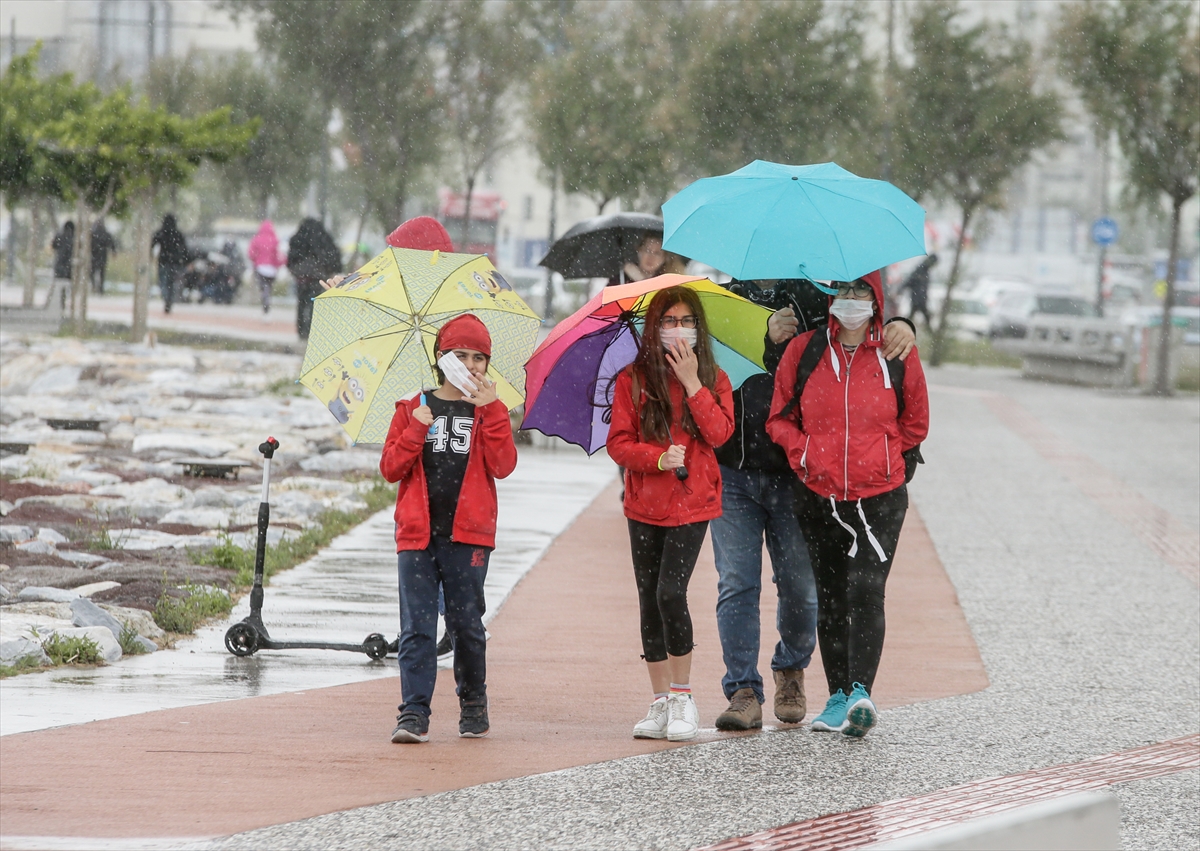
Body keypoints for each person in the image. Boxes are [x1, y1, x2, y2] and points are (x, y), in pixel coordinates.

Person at [710, 279, 915, 731]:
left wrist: (903, 323)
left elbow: (861, 335)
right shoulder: (718, 300)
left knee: (805, 592)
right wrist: (763, 335)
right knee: (737, 585)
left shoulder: (810, 293)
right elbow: (711, 368)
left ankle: (792, 670)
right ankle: (743, 689)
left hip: (797, 479)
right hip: (733, 470)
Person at [766, 271, 928, 739]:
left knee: (866, 589)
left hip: (880, 497)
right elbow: (780, 417)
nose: (850, 299)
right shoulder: (806, 350)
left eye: (860, 290)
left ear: (876, 299)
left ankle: (861, 692)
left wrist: (882, 456)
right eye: (843, 290)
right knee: (831, 596)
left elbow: (916, 422)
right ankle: (836, 696)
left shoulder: (896, 351)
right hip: (819, 495)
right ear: (831, 296)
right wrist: (805, 454)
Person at [380, 314, 517, 743]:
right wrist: (417, 425)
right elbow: (390, 469)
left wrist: (492, 410)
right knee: (416, 627)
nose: (471, 365)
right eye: (461, 355)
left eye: (480, 358)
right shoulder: (411, 407)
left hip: (469, 536)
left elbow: (503, 465)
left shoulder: (488, 410)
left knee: (465, 625)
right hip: (417, 536)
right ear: (441, 358)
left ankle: (473, 701)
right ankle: (413, 713)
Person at [606, 286, 735, 742]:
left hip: (693, 502)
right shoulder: (633, 379)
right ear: (653, 328)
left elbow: (720, 434)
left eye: (686, 321)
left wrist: (693, 384)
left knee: (669, 592)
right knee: (648, 598)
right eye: (669, 322)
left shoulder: (714, 378)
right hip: (644, 504)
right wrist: (656, 458)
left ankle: (683, 696)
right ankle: (660, 701)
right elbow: (618, 443)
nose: (678, 331)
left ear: (698, 328)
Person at [288, 218, 341, 339]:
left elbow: (291, 259)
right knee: (315, 303)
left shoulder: (297, 239)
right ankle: (312, 329)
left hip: (302, 277)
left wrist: (297, 270)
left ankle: (301, 330)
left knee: (301, 303)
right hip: (318, 277)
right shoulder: (323, 238)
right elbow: (333, 256)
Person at [151, 214, 189, 314]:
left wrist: (150, 255)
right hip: (175, 263)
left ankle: (166, 298)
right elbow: (185, 249)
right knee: (172, 283)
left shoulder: (161, 233)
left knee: (163, 282)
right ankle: (170, 299)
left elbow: (152, 243)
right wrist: (185, 261)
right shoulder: (178, 234)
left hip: (163, 261)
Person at [247, 220, 284, 316]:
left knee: (263, 287)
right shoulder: (275, 239)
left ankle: (265, 302)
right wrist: (278, 263)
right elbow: (277, 255)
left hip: (260, 268)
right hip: (272, 269)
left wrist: (256, 260)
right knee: (268, 287)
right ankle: (267, 300)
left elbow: (251, 254)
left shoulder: (256, 239)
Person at [897, 253, 937, 328]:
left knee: (916, 316)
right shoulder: (920, 270)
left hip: (921, 298)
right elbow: (909, 281)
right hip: (918, 298)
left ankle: (931, 334)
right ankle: (932, 335)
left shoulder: (925, 270)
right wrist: (899, 291)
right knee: (922, 317)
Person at [89, 220, 117, 295]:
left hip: (94, 255)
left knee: (92, 271)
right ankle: (101, 289)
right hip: (102, 255)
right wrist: (113, 252)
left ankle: (93, 285)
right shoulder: (106, 234)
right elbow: (112, 244)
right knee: (102, 273)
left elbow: (88, 244)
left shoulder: (93, 234)